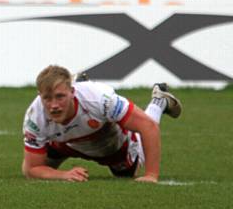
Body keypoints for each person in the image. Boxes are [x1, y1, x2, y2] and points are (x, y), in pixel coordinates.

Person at [22, 65, 183, 183]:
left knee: (126, 174)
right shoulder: (35, 116)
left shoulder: (100, 99)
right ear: (39, 96)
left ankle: (158, 102)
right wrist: (63, 175)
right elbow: (31, 169)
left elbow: (148, 126)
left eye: (60, 96)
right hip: (64, 143)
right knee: (35, 170)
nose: (54, 105)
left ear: (72, 92)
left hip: (105, 140)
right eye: (47, 98)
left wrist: (151, 175)